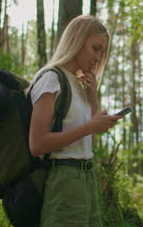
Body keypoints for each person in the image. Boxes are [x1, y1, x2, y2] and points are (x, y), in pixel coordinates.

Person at [28, 14, 123, 227]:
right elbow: (37, 144)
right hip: (64, 178)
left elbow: (83, 135)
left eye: (103, 51)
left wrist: (92, 97)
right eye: (95, 48)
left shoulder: (78, 83)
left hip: (86, 178)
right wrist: (90, 126)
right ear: (77, 41)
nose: (99, 58)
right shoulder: (51, 78)